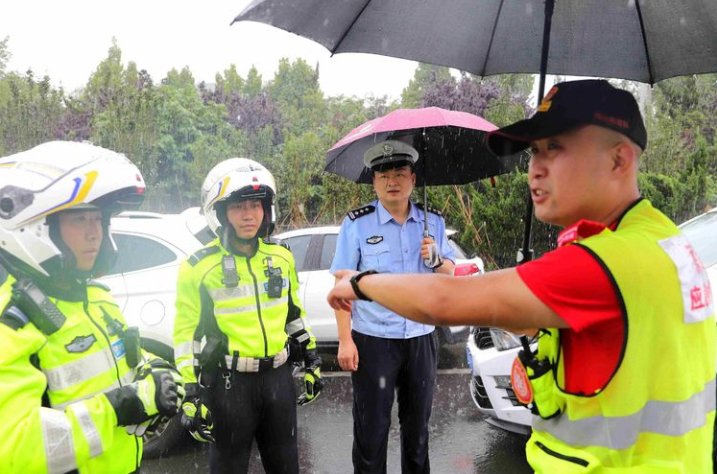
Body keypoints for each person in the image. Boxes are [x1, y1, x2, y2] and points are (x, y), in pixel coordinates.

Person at [328, 80, 716, 473]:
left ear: (619, 160)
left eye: (556, 149)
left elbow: (444, 301)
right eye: (534, 153)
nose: (536, 169)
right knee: (373, 433)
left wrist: (361, 282)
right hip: (659, 460)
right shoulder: (659, 234)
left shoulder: (609, 260)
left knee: (417, 434)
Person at [0, 141, 185, 473]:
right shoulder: (12, 324)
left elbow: (124, 362)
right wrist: (121, 407)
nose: (94, 234)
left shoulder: (95, 298)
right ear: (36, 227)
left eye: (98, 220)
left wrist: (156, 373)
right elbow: (12, 448)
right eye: (79, 220)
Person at [174, 157, 322, 474]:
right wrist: (190, 391)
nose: (249, 215)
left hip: (279, 382)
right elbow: (186, 334)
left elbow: (294, 314)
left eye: (256, 205)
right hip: (230, 386)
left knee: (286, 467)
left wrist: (312, 359)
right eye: (239, 206)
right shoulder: (199, 267)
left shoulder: (281, 257)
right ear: (219, 212)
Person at [330, 140, 456, 473]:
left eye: (400, 173)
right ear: (374, 182)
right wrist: (345, 339)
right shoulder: (357, 224)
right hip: (374, 340)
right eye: (383, 174)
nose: (392, 181)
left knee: (418, 432)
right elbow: (342, 283)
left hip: (421, 337)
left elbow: (451, 274)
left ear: (413, 179)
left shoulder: (433, 223)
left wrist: (437, 259)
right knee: (371, 432)